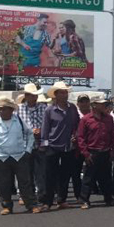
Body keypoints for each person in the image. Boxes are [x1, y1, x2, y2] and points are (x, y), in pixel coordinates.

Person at [0, 96, 41, 215]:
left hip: (19, 157)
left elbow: (30, 134)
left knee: (25, 183)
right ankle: (7, 206)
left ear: (11, 110)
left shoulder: (18, 121)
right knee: (3, 184)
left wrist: (28, 150)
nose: (1, 111)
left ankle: (31, 205)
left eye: (4, 109)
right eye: (0, 109)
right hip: (1, 158)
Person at [39, 81, 80, 210]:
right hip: (52, 145)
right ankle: (47, 202)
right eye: (61, 92)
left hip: (68, 146)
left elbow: (77, 125)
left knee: (65, 175)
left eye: (65, 92)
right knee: (50, 175)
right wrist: (44, 145)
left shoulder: (72, 108)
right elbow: (45, 128)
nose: (64, 95)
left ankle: (62, 200)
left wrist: (75, 135)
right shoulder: (49, 110)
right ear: (56, 95)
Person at [76, 95, 114, 208]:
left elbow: (113, 134)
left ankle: (108, 198)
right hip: (92, 152)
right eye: (101, 104)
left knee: (106, 177)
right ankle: (84, 199)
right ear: (94, 105)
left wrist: (113, 150)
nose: (104, 105)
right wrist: (85, 153)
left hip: (106, 151)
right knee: (89, 177)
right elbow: (81, 137)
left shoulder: (109, 118)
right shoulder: (86, 119)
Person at [17, 83, 47, 202]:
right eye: (30, 95)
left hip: (40, 145)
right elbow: (16, 126)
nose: (33, 97)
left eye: (35, 95)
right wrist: (29, 131)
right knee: (26, 173)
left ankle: (42, 196)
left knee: (41, 173)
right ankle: (26, 196)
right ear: (26, 96)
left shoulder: (43, 108)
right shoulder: (19, 109)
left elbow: (48, 126)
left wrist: (41, 131)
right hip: (24, 146)